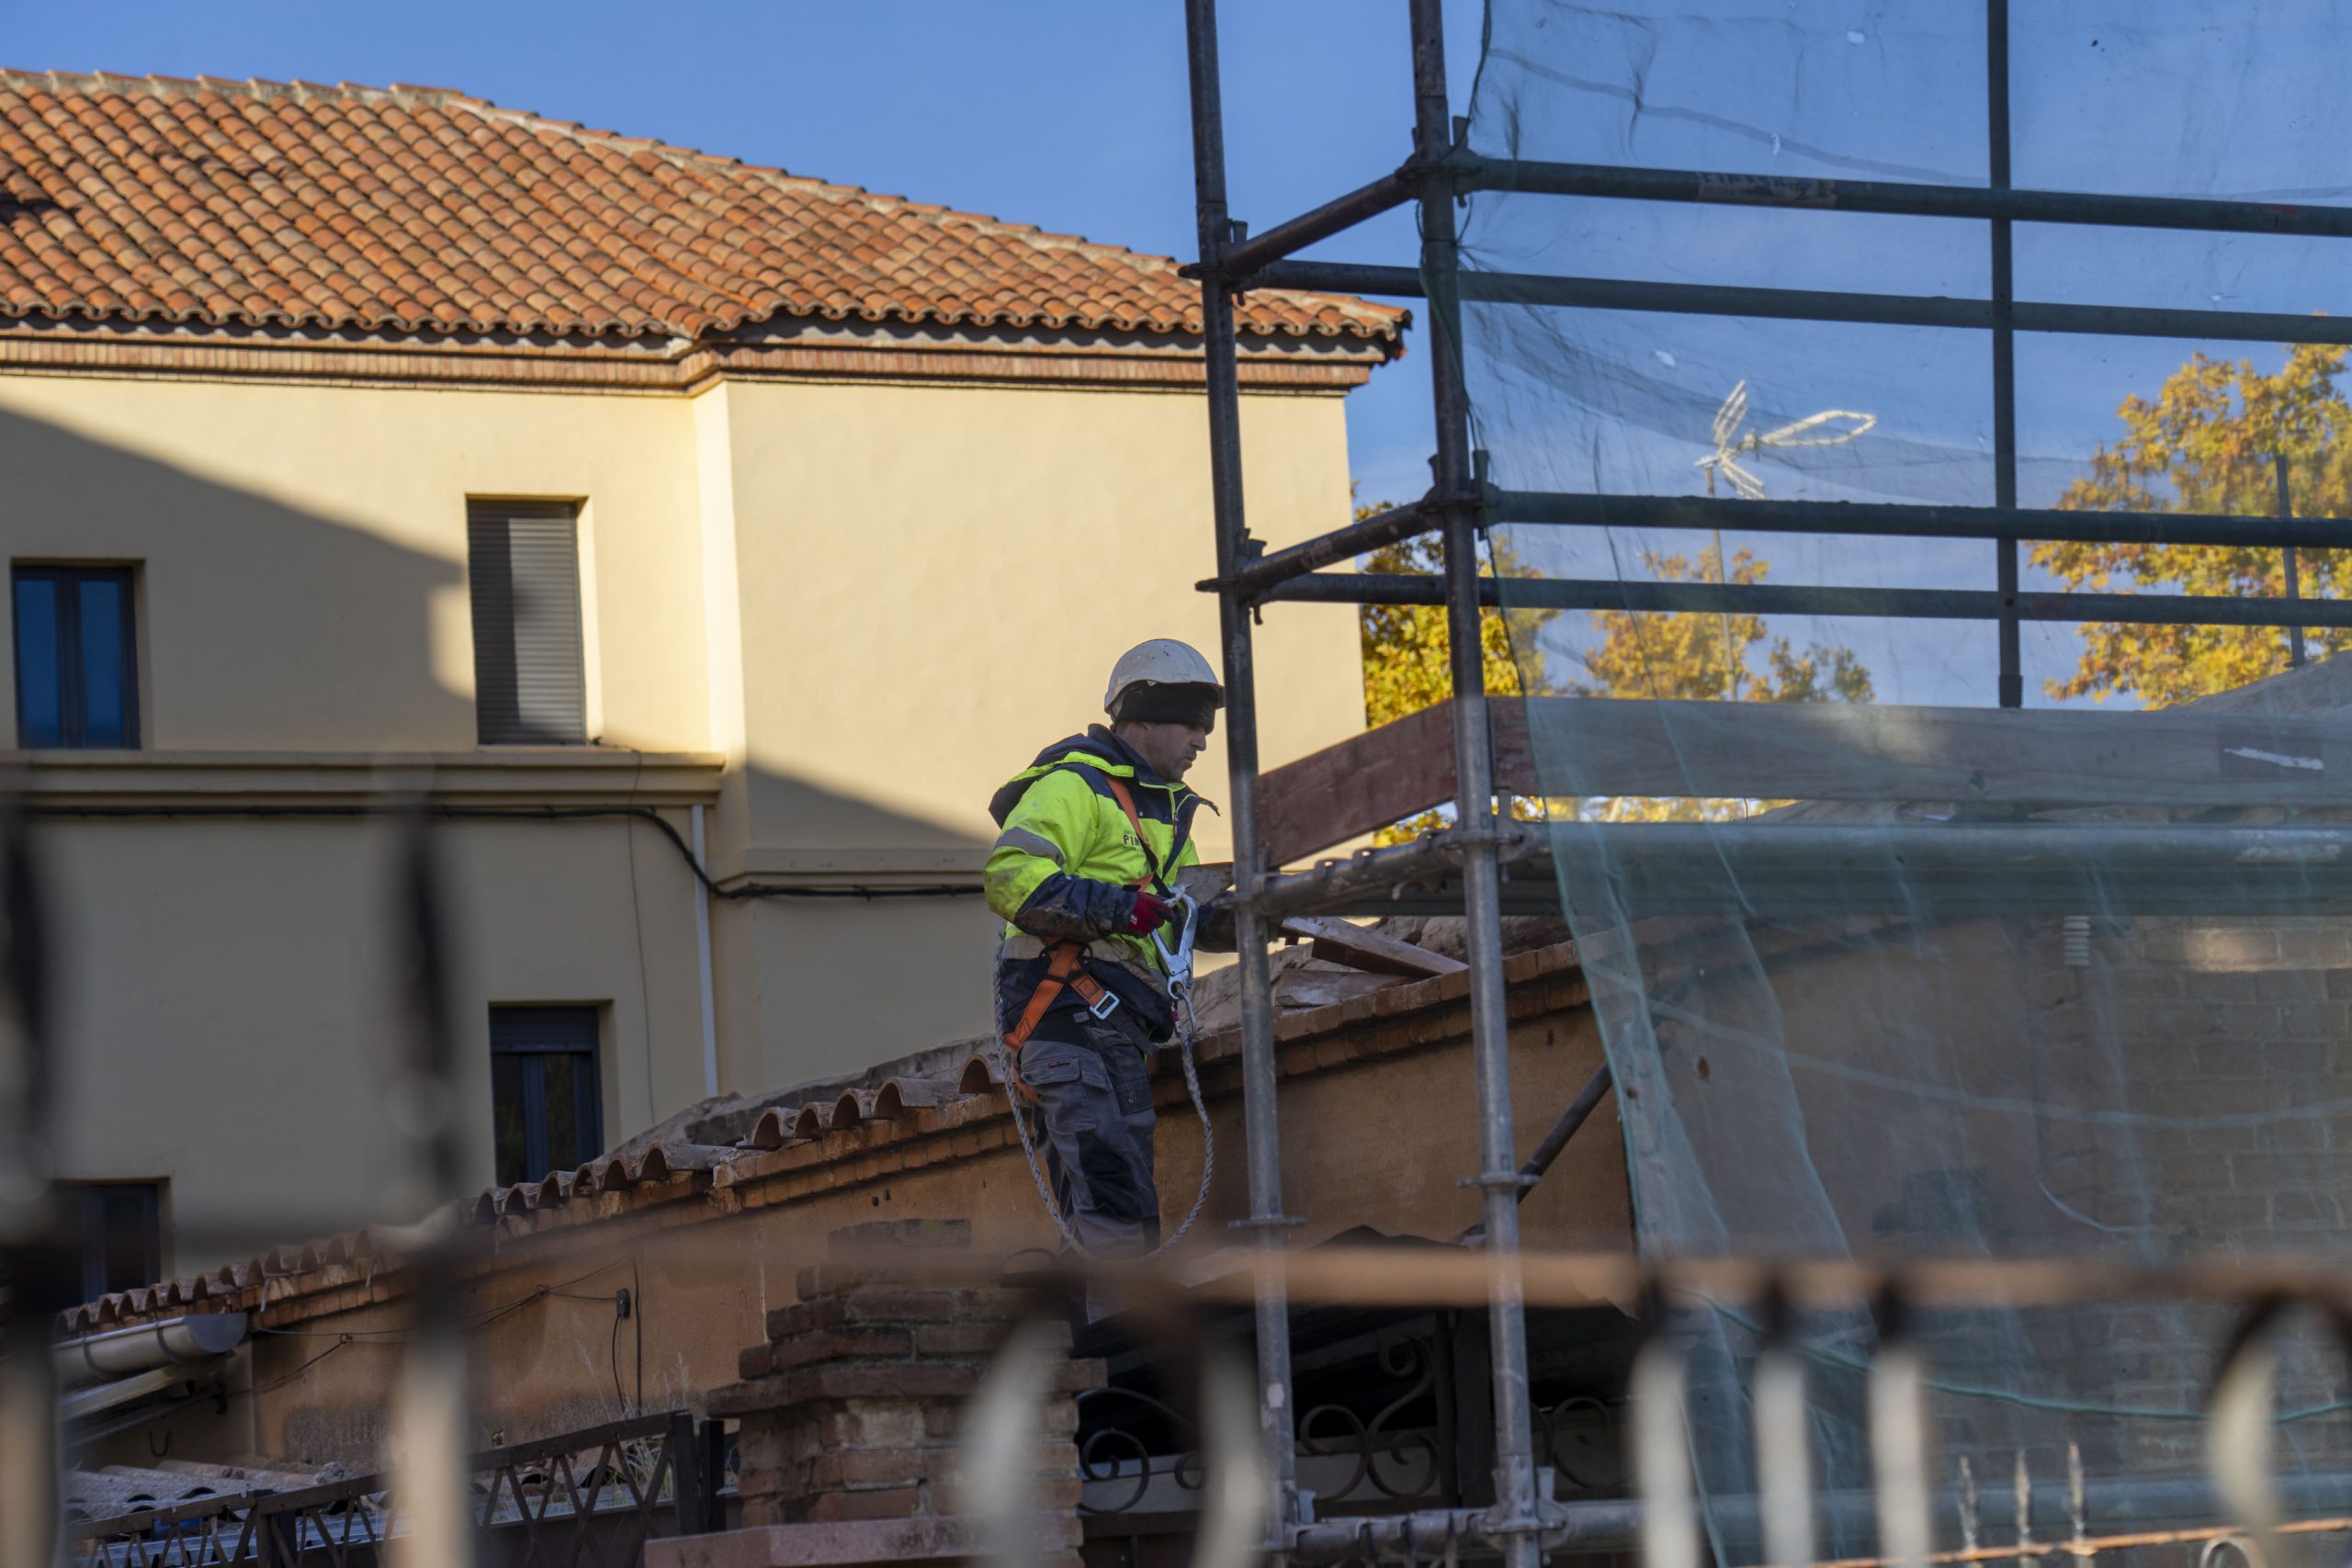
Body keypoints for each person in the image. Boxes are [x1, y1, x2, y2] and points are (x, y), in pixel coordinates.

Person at [984, 638, 1222, 1255]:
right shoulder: (1075, 785)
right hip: (1069, 1024)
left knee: (1119, 1210)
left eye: (1207, 728)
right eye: (1192, 726)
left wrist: (1244, 916)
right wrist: (1120, 907)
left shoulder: (1169, 816)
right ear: (1141, 720)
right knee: (1113, 1208)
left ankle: (1092, 1342)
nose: (1202, 741)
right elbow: (1011, 875)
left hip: (1114, 1033)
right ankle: (1113, 1341)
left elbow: (1182, 916)